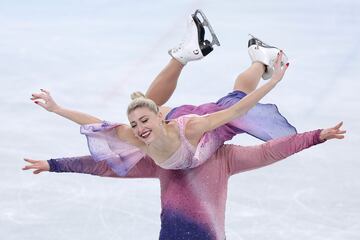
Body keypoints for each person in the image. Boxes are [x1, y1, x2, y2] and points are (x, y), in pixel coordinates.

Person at [30, 10, 295, 176]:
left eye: (143, 122)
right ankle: (186, 54)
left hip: (209, 128)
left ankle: (261, 59)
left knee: (236, 97)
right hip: (174, 122)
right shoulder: (137, 136)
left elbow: (235, 111)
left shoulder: (194, 127)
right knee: (143, 103)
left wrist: (274, 82)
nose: (138, 129)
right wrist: (58, 109)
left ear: (159, 119)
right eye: (135, 125)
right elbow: (94, 123)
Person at [22, 123, 346, 240]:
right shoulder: (163, 161)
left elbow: (271, 150)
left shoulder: (225, 157)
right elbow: (104, 166)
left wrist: (316, 136)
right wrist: (53, 164)